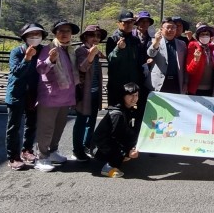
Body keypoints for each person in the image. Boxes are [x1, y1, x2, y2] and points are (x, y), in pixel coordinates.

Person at [34, 19, 80, 172]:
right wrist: (50, 60)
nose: (65, 34)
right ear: (55, 33)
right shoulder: (48, 49)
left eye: (68, 31)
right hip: (50, 96)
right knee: (46, 128)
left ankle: (53, 151)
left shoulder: (70, 50)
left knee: (59, 127)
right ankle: (41, 157)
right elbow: (41, 69)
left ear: (71, 34)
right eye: (61, 31)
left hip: (66, 97)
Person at [5, 23, 47, 170]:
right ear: (24, 37)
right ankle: (13, 157)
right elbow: (17, 72)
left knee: (32, 123)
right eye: (31, 34)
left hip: (34, 93)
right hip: (16, 93)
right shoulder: (17, 52)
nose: (35, 37)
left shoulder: (43, 51)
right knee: (14, 126)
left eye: (38, 34)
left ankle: (27, 150)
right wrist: (27, 58)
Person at [72, 25, 107, 162]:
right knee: (81, 121)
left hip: (95, 91)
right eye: (92, 35)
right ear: (85, 36)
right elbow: (82, 68)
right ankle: (77, 150)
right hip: (84, 93)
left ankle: (87, 144)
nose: (95, 38)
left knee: (91, 120)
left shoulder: (95, 50)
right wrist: (91, 55)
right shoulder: (81, 50)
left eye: (98, 36)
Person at [92, 82, 140, 178]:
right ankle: (108, 168)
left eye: (136, 95)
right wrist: (126, 152)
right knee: (123, 152)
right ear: (123, 96)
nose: (134, 98)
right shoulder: (117, 113)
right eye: (130, 95)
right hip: (99, 147)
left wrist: (132, 147)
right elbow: (112, 137)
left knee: (132, 138)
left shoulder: (128, 109)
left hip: (107, 143)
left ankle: (117, 157)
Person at [106, 10, 144, 108]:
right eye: (125, 22)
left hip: (132, 85)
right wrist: (118, 49)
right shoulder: (113, 39)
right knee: (116, 110)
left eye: (131, 22)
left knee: (131, 111)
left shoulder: (135, 40)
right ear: (119, 23)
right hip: (117, 84)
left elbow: (138, 61)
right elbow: (110, 60)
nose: (129, 25)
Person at [146, 17, 188, 94]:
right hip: (159, 82)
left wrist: (185, 82)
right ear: (161, 29)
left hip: (176, 82)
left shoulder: (182, 44)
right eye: (168, 27)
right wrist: (156, 42)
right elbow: (151, 54)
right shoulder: (155, 41)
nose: (170, 30)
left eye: (173, 27)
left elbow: (185, 65)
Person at [186, 24, 214, 96]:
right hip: (196, 89)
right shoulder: (193, 46)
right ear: (198, 36)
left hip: (210, 88)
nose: (205, 36)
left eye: (207, 34)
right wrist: (195, 60)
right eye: (202, 34)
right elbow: (190, 70)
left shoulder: (212, 48)